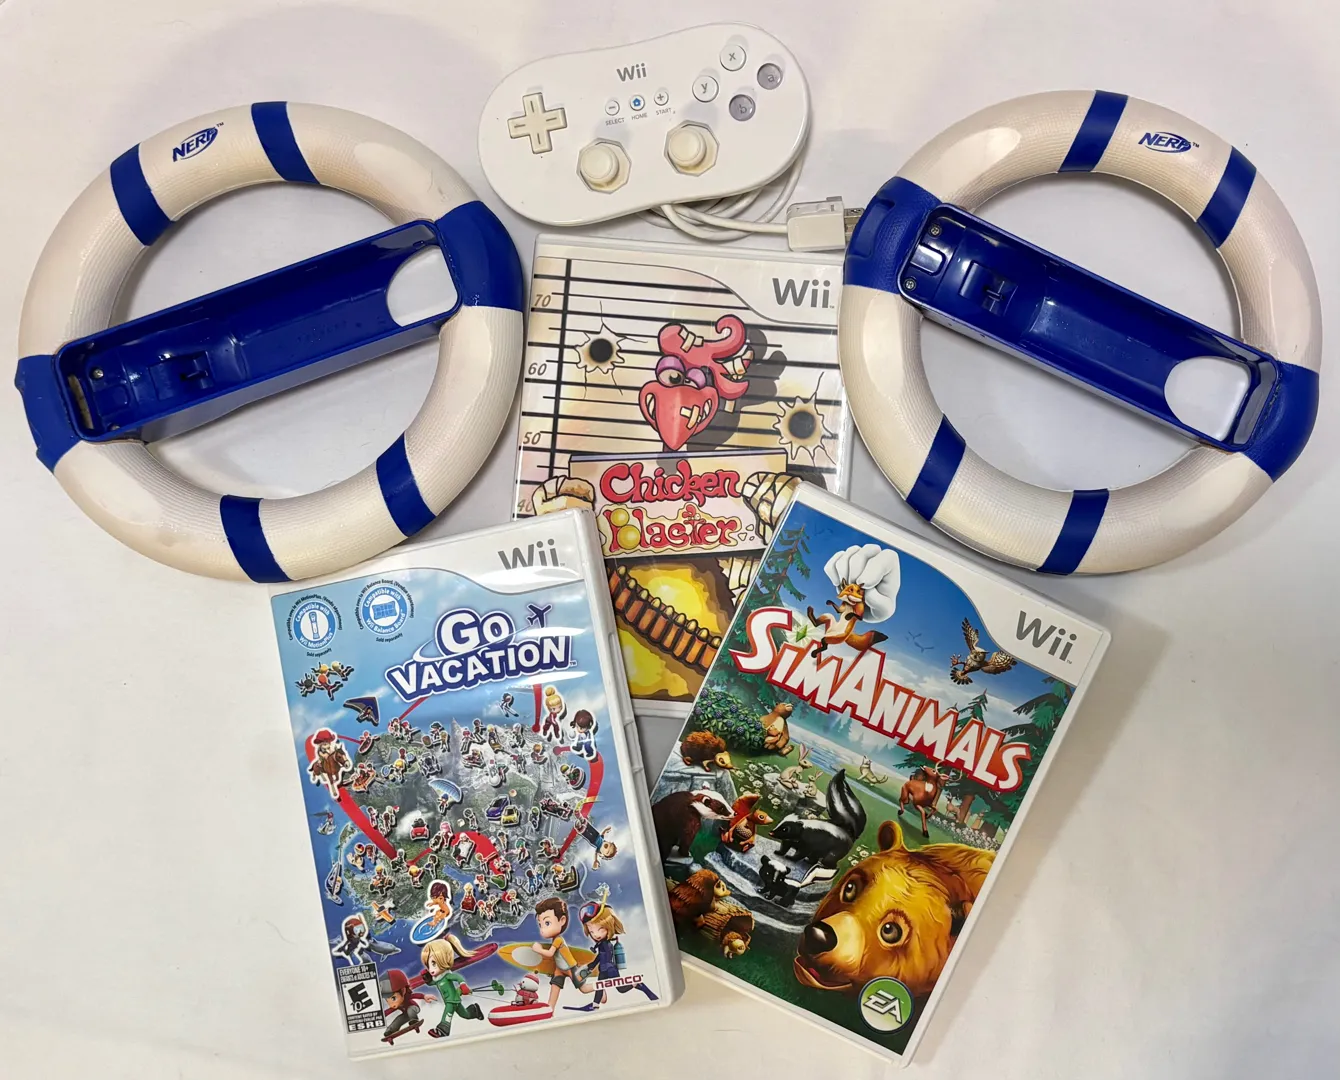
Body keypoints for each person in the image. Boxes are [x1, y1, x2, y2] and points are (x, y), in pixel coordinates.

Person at [568, 901, 659, 1011]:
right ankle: (595, 1005)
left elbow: (603, 956)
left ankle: (637, 984)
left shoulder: (606, 945)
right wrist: (592, 966)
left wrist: (592, 965)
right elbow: (600, 956)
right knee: (599, 987)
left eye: (600, 929)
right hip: (603, 969)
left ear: (609, 927)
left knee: (621, 988)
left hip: (610, 969)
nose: (595, 934)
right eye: (591, 931)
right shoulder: (602, 944)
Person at [420, 935, 491, 1038]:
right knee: (465, 1015)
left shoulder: (447, 975)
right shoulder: (438, 978)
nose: (431, 969)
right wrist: (427, 979)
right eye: (428, 965)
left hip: (451, 1000)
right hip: (453, 1000)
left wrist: (463, 985)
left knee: (448, 1012)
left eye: (434, 964)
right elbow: (432, 983)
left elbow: (458, 977)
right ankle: (475, 1010)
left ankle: (443, 1030)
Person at [530, 897, 581, 1011]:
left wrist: (538, 949)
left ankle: (599, 991)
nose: (542, 929)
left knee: (583, 988)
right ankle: (550, 1009)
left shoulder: (558, 940)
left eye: (547, 923)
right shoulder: (554, 939)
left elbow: (550, 953)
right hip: (559, 969)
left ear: (562, 920)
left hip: (570, 968)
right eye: (540, 925)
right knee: (555, 986)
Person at [379, 968, 428, 1042]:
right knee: (398, 1019)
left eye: (393, 998)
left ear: (403, 991)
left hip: (414, 1008)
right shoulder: (396, 1005)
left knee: (410, 1010)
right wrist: (381, 1016)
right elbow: (388, 1011)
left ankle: (414, 1020)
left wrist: (424, 997)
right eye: (387, 1001)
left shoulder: (407, 997)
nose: (392, 1005)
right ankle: (390, 1030)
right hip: (406, 1014)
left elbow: (415, 995)